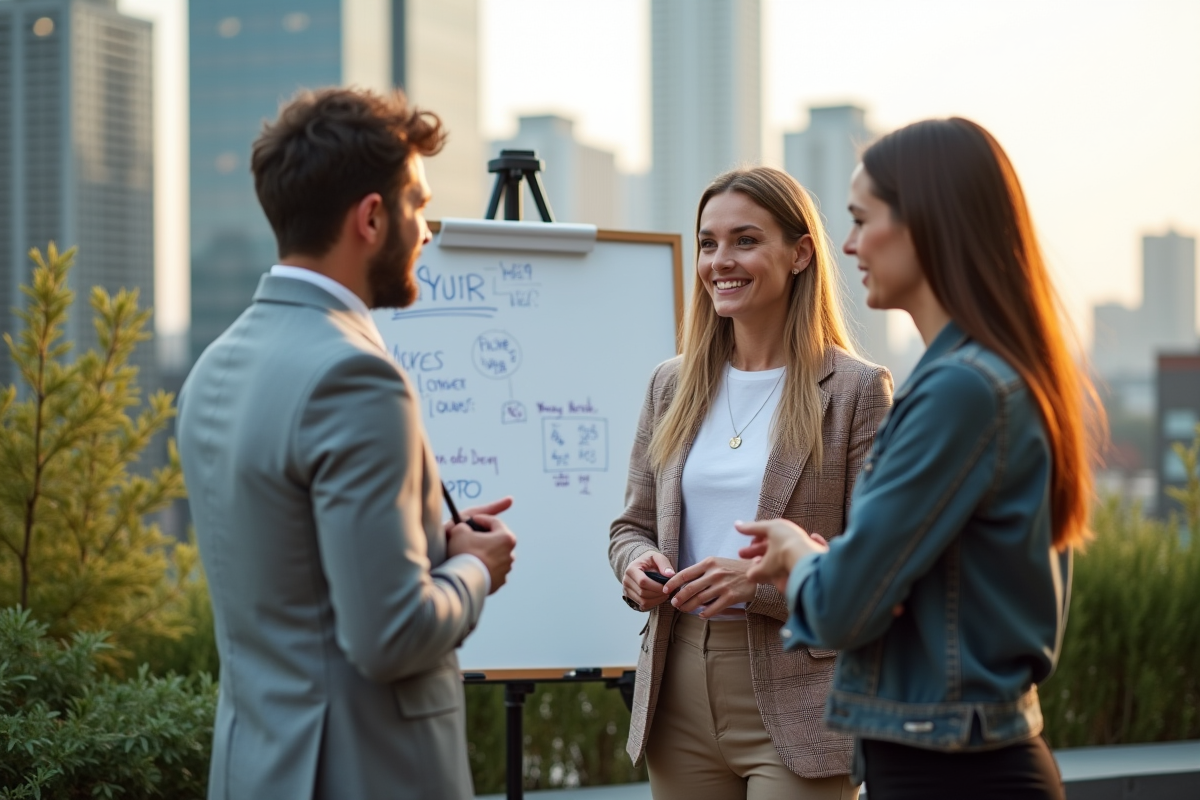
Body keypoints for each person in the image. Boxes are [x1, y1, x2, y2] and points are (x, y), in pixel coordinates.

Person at [738, 118, 1104, 800]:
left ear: (926, 223)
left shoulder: (960, 390)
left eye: (859, 219)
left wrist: (797, 557)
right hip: (953, 756)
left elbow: (845, 604)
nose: (846, 246)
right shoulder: (986, 375)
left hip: (953, 769)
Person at [177, 88, 518, 800]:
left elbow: (295, 582)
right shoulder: (356, 376)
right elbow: (391, 635)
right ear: (371, 217)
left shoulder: (213, 365)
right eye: (417, 205)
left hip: (257, 771)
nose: (425, 230)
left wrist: (434, 547)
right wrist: (476, 569)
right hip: (366, 772)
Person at [609, 166, 893, 800]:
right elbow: (632, 524)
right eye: (708, 243)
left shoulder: (855, 391)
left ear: (799, 253)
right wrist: (636, 563)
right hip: (676, 684)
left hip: (803, 694)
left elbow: (875, 569)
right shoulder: (671, 384)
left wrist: (760, 582)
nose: (719, 261)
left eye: (744, 240)